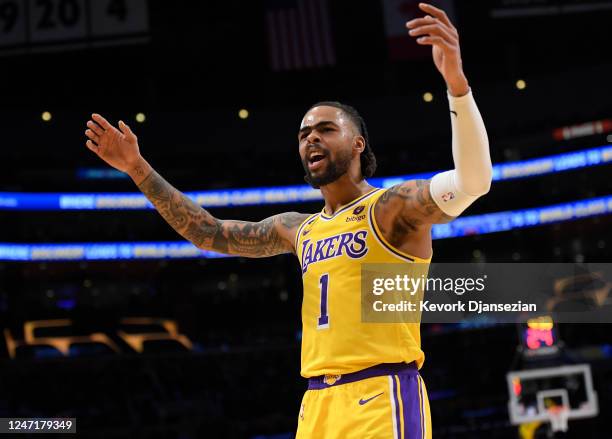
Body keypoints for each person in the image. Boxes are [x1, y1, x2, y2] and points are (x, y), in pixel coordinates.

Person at [84, 3, 491, 437]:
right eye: (303, 134)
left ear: (357, 144)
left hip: (380, 392)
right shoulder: (298, 228)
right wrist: (137, 169)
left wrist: (457, 86)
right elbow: (208, 232)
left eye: (325, 129)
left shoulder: (393, 208)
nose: (311, 136)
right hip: (315, 403)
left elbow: (473, 181)